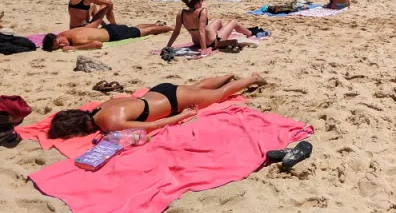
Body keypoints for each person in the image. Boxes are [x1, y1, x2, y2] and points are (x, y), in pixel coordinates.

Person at [46, 73, 268, 137]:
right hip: (158, 91)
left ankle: (253, 78)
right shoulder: (98, 108)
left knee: (219, 95)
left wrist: (183, 116)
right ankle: (227, 75)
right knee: (197, 86)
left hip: (172, 102)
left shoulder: (111, 125)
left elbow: (154, 126)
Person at [164, 0, 253, 56]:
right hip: (212, 42)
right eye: (201, 1)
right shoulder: (202, 11)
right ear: (197, 4)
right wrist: (204, 49)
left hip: (196, 42)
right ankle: (249, 33)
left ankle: (223, 36)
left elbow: (176, 32)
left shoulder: (181, 13)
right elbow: (201, 31)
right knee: (233, 22)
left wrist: (168, 46)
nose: (202, 3)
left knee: (217, 21)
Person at [43, 22, 171, 52]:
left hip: (114, 35)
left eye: (60, 43)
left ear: (57, 37)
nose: (62, 45)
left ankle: (170, 28)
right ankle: (159, 24)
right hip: (108, 28)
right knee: (135, 28)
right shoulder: (67, 32)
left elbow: (97, 44)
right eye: (58, 47)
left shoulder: (76, 41)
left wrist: (73, 48)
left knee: (150, 31)